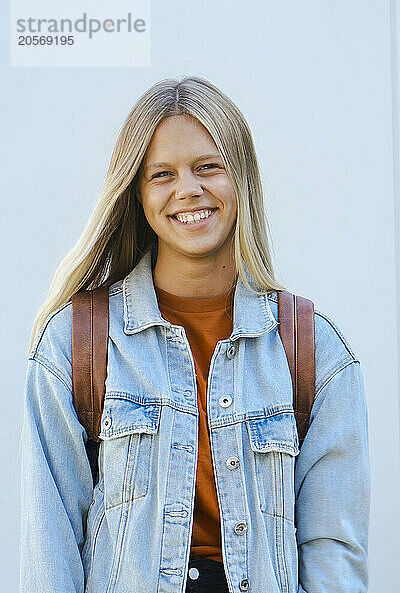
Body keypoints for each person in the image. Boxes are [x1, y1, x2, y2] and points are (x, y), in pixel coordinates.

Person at [19, 75, 370, 593]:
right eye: (162, 173)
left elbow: (332, 549)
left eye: (208, 166)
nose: (188, 189)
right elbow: (48, 551)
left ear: (242, 179)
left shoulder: (311, 348)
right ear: (137, 194)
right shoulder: (77, 344)